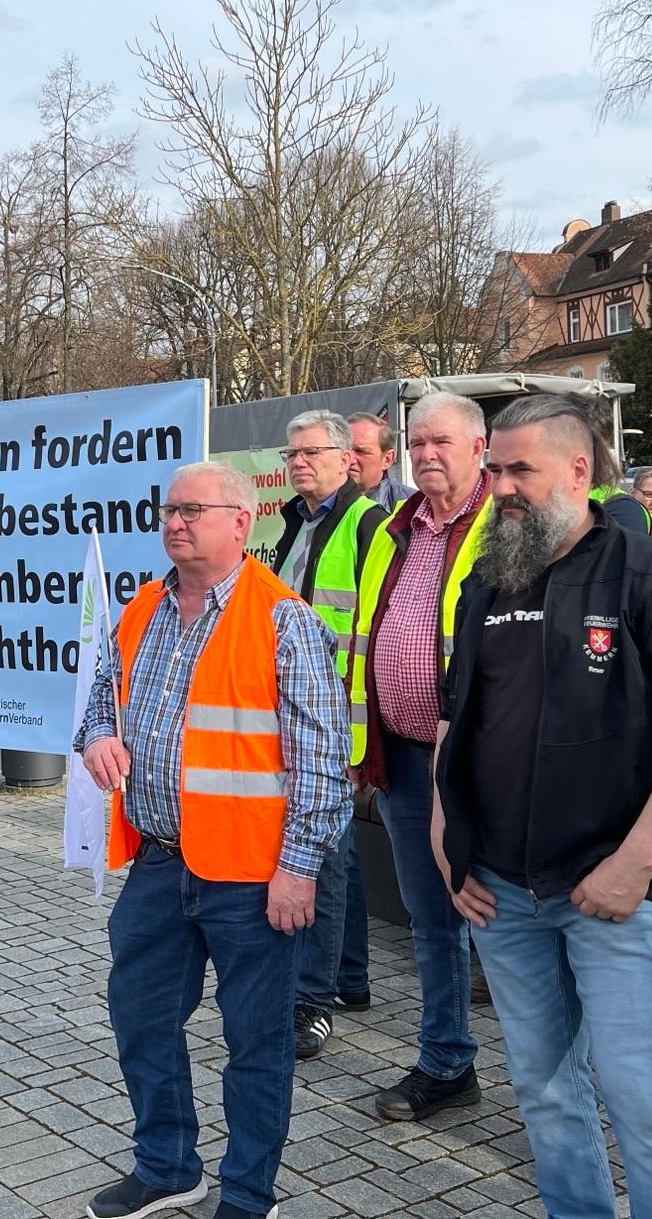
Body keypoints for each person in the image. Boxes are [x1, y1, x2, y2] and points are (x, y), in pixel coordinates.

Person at [435, 394, 652, 1218]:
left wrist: (635, 867)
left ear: (579, 469)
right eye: (494, 469)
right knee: (542, 1090)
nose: (500, 486)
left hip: (616, 897)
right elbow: (456, 718)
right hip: (501, 891)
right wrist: (445, 838)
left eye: (519, 469)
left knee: (642, 1099)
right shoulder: (488, 584)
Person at [76, 460, 350, 1219]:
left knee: (257, 1043)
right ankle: (167, 1166)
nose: (175, 521)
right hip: (162, 863)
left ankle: (249, 1194)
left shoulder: (282, 618)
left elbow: (325, 759)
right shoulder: (141, 609)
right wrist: (99, 735)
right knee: (140, 1016)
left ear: (242, 520)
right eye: (169, 509)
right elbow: (101, 696)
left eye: (194, 509)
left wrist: (299, 870)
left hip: (253, 876)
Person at [345, 390, 494, 1122]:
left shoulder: (507, 524)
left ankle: (558, 1084)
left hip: (485, 762)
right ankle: (446, 1062)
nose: (426, 453)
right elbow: (365, 635)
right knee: (432, 919)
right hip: (402, 758)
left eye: (441, 442)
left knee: (510, 924)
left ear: (479, 447)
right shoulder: (396, 529)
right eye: (418, 442)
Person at [268, 410, 375, 1062]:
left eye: (311, 452)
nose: (299, 462)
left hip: (338, 713)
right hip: (300, 709)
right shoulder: (294, 522)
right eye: (292, 453)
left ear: (346, 459)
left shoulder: (366, 524)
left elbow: (374, 621)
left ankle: (314, 997)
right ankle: (351, 978)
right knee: (340, 851)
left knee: (326, 852)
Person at [346, 410, 404, 514]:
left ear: (387, 459)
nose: (350, 459)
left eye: (361, 451)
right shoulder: (315, 503)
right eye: (345, 450)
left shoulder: (411, 505)